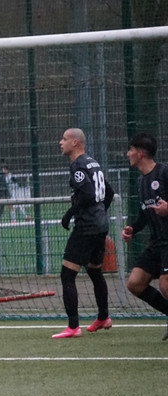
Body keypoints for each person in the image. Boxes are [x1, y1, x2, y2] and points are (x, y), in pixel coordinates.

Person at [52, 128, 115, 338]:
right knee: (94, 271)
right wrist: (100, 213)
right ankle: (103, 317)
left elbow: (87, 194)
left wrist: (69, 214)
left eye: (64, 139)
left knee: (67, 275)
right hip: (100, 226)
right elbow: (109, 192)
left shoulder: (78, 165)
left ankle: (73, 327)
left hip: (87, 227)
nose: (60, 142)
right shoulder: (93, 163)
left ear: (75, 143)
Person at [121, 132, 168, 341]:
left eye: (130, 150)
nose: (127, 154)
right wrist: (132, 228)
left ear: (140, 153)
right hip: (156, 243)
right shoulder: (141, 181)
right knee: (135, 283)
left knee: (166, 285)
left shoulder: (164, 173)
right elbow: (144, 214)